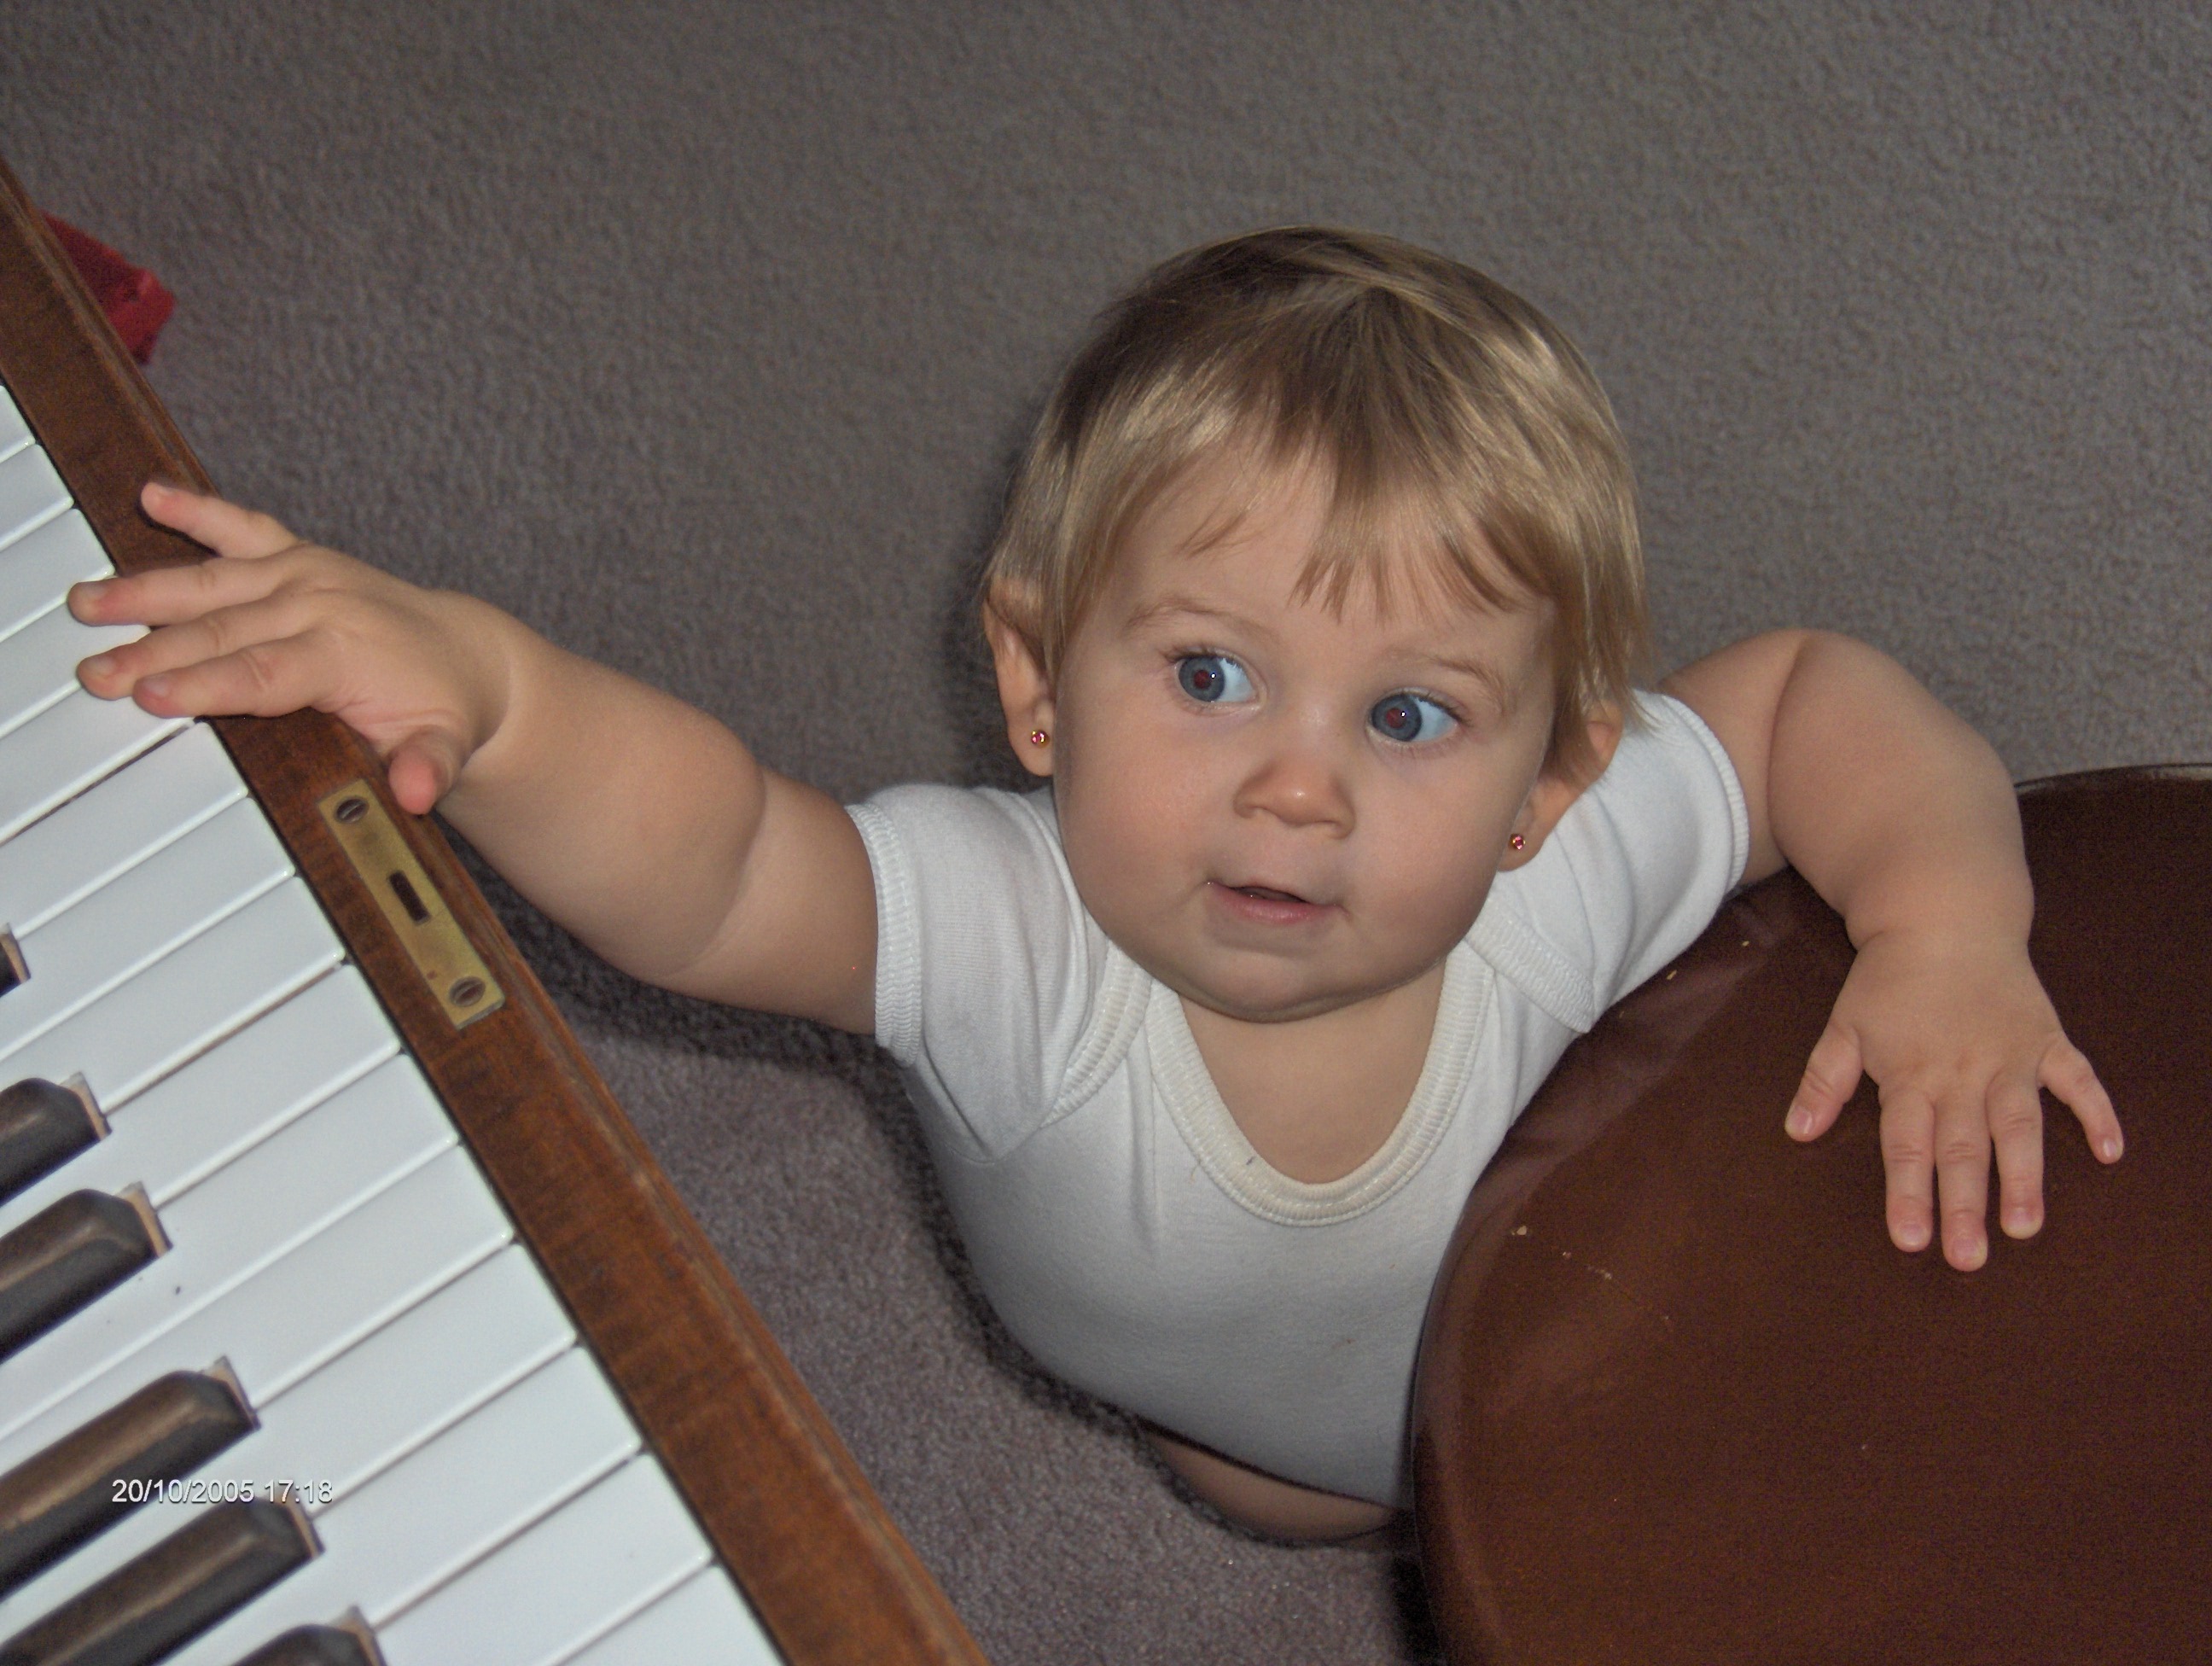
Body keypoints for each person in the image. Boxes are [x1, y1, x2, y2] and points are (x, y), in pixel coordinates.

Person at [69, 228, 2120, 1543]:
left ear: (1544, 787)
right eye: (1209, 676)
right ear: (1037, 684)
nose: (1297, 786)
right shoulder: (1013, 947)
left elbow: (1808, 701)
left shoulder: (1561, 882)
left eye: (1412, 716)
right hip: (1250, 1429)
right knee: (1287, 1489)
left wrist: (1948, 925)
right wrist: (502, 699)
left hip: (1584, 1308)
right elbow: (724, 858)